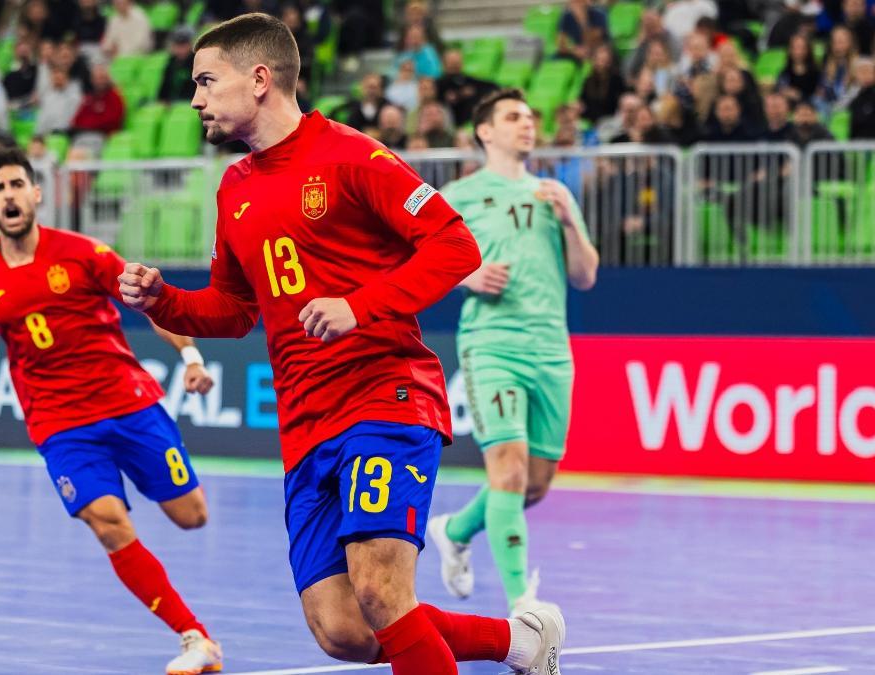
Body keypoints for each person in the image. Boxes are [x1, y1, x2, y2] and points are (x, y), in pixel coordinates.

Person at [117, 14, 565, 675]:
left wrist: (359, 306)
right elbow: (234, 311)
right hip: (305, 424)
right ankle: (520, 643)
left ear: (259, 79)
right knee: (344, 629)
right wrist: (163, 300)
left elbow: (455, 245)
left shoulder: (352, 155)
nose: (195, 99)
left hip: (384, 397)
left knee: (381, 591)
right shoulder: (234, 188)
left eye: (206, 81)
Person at [0, 148, 224, 675]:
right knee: (108, 524)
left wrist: (190, 357)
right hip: (60, 425)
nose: (9, 196)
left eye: (17, 184)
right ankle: (196, 638)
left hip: (129, 403)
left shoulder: (82, 253)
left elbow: (150, 303)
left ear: (36, 193)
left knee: (192, 516)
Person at [428, 88, 599, 616]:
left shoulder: (553, 194)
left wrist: (568, 219)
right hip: (492, 344)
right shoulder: (459, 195)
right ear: (485, 131)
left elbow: (586, 275)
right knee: (508, 469)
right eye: (513, 117)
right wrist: (468, 275)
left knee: (535, 484)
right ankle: (524, 604)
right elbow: (420, 261)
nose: (527, 125)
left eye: (529, 117)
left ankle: (455, 531)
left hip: (550, 348)